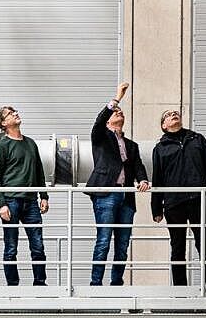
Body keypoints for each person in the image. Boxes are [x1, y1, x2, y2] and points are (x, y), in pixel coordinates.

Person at [150, 109, 206, 286]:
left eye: (176, 113)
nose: (174, 115)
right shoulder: (160, 148)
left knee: (204, 244)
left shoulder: (196, 139)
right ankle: (180, 291)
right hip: (173, 203)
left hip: (197, 199)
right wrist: (156, 208)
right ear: (164, 125)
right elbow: (158, 178)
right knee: (177, 247)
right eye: (168, 115)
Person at [87, 82, 151, 286]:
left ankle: (117, 283)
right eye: (115, 112)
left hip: (126, 197)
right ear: (108, 121)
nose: (119, 113)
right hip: (107, 193)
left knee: (122, 244)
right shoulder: (101, 137)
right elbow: (98, 122)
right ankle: (95, 284)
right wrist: (117, 98)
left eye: (120, 111)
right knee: (104, 240)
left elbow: (138, 166)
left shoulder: (132, 145)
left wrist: (142, 179)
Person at [0, 105, 49, 286]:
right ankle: (13, 286)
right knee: (10, 247)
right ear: (3, 123)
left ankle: (40, 283)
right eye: (10, 113)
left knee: (38, 245)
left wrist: (44, 196)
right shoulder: (2, 147)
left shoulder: (31, 143)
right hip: (10, 201)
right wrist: (1, 204)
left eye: (15, 111)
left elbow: (39, 172)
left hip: (31, 201)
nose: (15, 114)